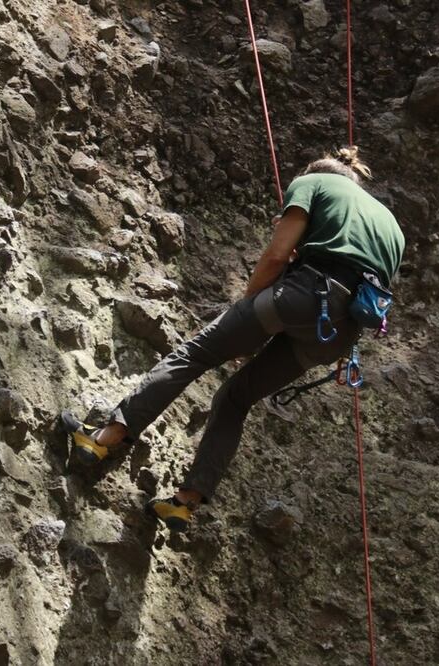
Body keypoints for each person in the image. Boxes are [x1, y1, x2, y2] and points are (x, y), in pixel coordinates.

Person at [61, 146, 405, 532]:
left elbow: (277, 255)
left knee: (194, 355)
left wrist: (246, 311)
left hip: (303, 295)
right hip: (338, 337)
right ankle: (184, 504)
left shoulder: (313, 181)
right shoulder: (391, 226)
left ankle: (103, 439)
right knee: (236, 399)